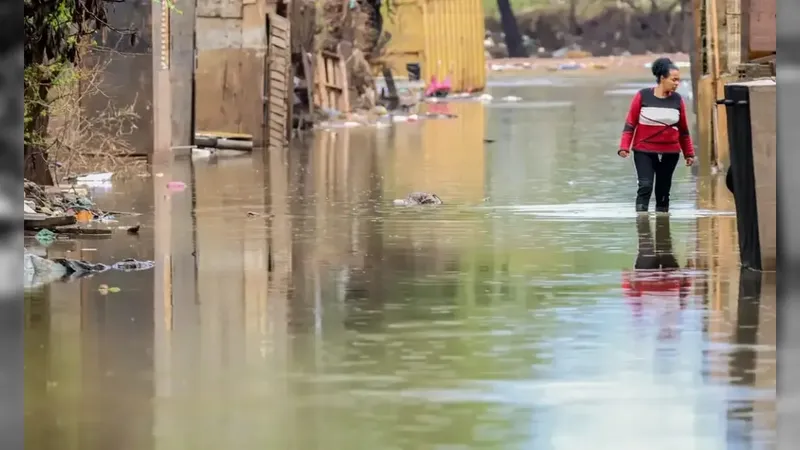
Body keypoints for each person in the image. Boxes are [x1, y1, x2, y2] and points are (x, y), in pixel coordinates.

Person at [618, 57, 695, 213]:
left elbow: (683, 130)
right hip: (644, 150)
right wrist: (624, 147)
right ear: (662, 78)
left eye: (678, 80)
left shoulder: (677, 100)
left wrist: (689, 153)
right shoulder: (643, 96)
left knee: (663, 191)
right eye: (673, 79)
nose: (677, 83)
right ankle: (643, 228)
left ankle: (662, 232)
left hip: (670, 152)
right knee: (645, 186)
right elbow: (630, 124)